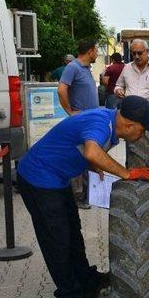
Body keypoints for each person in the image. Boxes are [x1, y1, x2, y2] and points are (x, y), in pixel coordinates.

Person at [17, 95, 149, 298]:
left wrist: (94, 165)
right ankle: (69, 297)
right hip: (38, 180)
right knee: (57, 240)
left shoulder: (110, 122)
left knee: (73, 233)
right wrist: (126, 173)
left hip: (57, 179)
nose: (143, 135)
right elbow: (93, 150)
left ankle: (86, 281)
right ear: (130, 125)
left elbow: (87, 149)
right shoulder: (101, 124)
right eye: (142, 130)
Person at [114, 39, 149, 172]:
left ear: (147, 52)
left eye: (140, 53)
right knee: (131, 150)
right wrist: (118, 90)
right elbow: (118, 85)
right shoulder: (126, 68)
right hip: (130, 116)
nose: (137, 56)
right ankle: (131, 173)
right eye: (134, 54)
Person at [58, 40, 99, 209]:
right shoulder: (73, 67)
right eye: (96, 50)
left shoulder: (86, 69)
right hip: (80, 122)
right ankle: (77, 196)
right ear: (89, 51)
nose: (97, 53)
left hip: (89, 121)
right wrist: (70, 111)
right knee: (78, 157)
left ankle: (89, 194)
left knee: (88, 157)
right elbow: (61, 89)